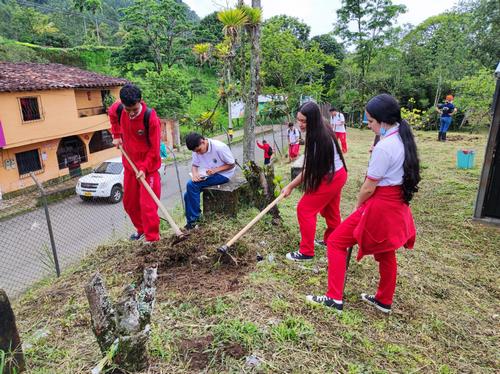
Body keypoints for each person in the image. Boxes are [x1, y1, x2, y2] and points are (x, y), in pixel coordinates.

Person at [306, 94, 420, 314]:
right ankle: (384, 300)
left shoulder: (385, 147)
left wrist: (359, 208)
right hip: (397, 203)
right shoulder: (402, 138)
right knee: (387, 251)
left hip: (381, 203)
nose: (369, 126)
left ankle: (333, 298)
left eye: (370, 121)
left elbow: (368, 187)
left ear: (383, 120)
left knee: (337, 241)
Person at [282, 102, 348, 262]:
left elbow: (309, 170)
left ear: (313, 119)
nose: (300, 124)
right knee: (330, 211)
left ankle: (306, 251)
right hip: (338, 175)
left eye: (304, 121)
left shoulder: (318, 137)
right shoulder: (320, 128)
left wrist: (290, 186)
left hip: (331, 177)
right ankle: (333, 240)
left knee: (304, 209)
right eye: (299, 120)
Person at [109, 84, 162, 244]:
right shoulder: (118, 109)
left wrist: (144, 168)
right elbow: (112, 114)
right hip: (130, 167)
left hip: (149, 169)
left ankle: (153, 239)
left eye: (134, 109)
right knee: (130, 204)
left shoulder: (150, 118)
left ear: (141, 101)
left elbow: (154, 150)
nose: (131, 114)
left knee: (148, 206)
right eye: (128, 110)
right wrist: (117, 134)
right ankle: (142, 231)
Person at [184, 133, 235, 230]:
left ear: (203, 141)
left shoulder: (219, 147)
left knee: (191, 185)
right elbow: (194, 165)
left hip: (224, 174)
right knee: (187, 195)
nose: (198, 153)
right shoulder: (196, 150)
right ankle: (191, 222)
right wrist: (195, 174)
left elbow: (231, 164)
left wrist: (216, 170)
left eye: (199, 150)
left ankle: (195, 221)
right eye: (196, 152)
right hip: (209, 173)